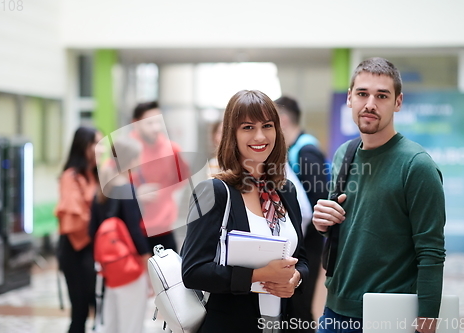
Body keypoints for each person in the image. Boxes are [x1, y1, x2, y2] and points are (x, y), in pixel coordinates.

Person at [312, 57, 445, 333]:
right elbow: (349, 229)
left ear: (398, 102)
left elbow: (431, 252)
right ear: (350, 98)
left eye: (382, 95)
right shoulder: (343, 155)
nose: (370, 104)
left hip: (388, 316)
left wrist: (428, 321)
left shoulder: (416, 165)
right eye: (362, 93)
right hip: (334, 309)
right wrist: (322, 224)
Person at [181, 90, 309, 333]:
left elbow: (300, 256)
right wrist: (259, 274)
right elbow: (193, 271)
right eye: (248, 127)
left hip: (281, 323)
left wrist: (294, 279)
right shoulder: (214, 192)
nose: (260, 136)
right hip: (231, 323)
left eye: (267, 126)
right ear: (232, 134)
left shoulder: (285, 190)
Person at [274, 96, 329, 333]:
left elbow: (318, 202)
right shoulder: (294, 149)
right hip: (300, 244)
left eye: (270, 122)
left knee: (301, 309)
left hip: (309, 244)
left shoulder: (307, 152)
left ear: (283, 121)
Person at [89, 137, 151, 333]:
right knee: (131, 324)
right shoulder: (127, 189)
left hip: (110, 267)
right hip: (130, 266)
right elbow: (135, 232)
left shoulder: (102, 189)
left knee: (111, 323)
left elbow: (92, 230)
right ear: (131, 161)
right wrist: (147, 264)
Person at [55, 126, 102, 333]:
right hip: (77, 250)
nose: (101, 148)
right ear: (84, 146)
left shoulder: (96, 174)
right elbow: (73, 218)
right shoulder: (71, 176)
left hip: (96, 247)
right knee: (80, 311)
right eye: (96, 143)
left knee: (101, 309)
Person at [130, 101, 190, 252]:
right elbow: (111, 185)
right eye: (149, 123)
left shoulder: (172, 149)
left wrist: (165, 193)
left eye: (158, 121)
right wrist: (135, 193)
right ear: (136, 123)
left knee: (170, 274)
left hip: (164, 228)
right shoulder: (125, 148)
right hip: (132, 228)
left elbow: (182, 178)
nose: (156, 127)